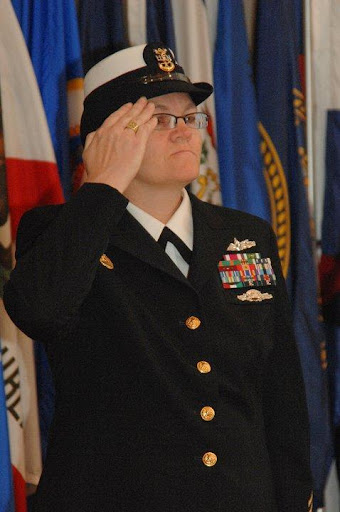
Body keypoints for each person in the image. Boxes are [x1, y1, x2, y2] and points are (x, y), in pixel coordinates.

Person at [4, 42, 313, 512]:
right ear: (107, 137)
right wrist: (104, 183)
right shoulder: (59, 234)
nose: (185, 133)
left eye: (191, 118)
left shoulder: (245, 235)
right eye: (161, 120)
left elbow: (281, 394)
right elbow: (39, 311)